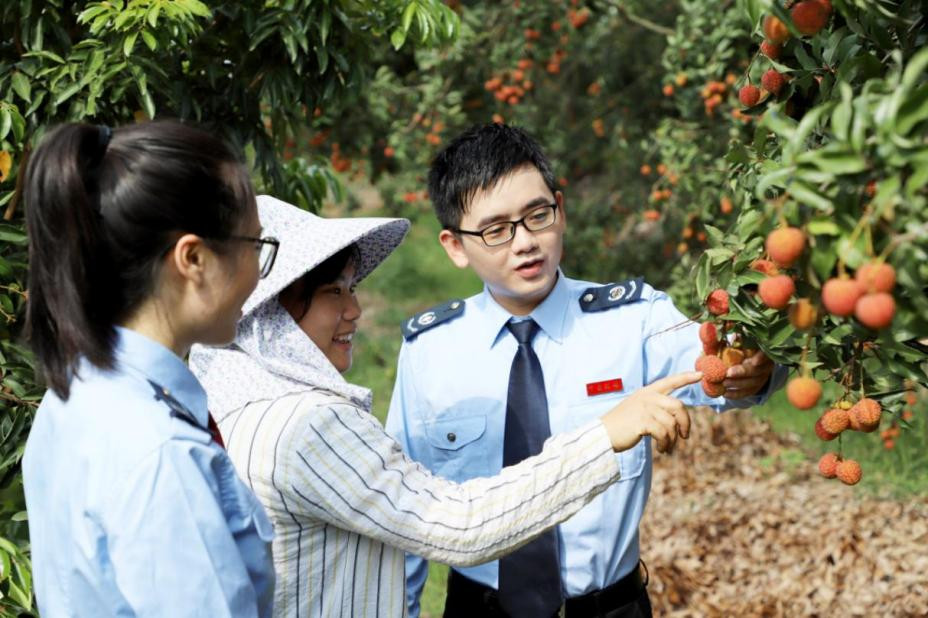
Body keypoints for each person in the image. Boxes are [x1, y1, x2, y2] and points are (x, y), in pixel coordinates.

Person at [189, 195, 702, 618]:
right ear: (271, 313)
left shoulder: (229, 398)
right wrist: (602, 437)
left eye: (351, 288)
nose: (354, 310)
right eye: (332, 292)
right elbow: (455, 522)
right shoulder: (306, 426)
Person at [385, 123, 787, 618]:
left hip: (609, 607)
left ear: (561, 208)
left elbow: (721, 373)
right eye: (496, 230)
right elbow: (404, 510)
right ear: (455, 246)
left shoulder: (631, 320)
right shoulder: (431, 350)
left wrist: (755, 362)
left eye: (538, 215)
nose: (525, 242)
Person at [21, 121, 279, 616]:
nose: (256, 271)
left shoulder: (75, 392)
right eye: (255, 245)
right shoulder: (163, 453)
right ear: (194, 258)